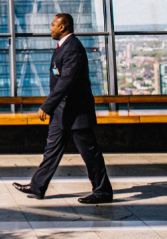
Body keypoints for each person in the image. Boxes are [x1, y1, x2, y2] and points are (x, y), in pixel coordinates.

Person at [13, 13, 113, 204]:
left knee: (89, 153)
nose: (49, 29)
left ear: (63, 27)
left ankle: (103, 191)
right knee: (51, 150)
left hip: (76, 112)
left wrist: (47, 106)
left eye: (52, 25)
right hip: (62, 112)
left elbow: (66, 82)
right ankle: (37, 186)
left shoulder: (73, 49)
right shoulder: (64, 47)